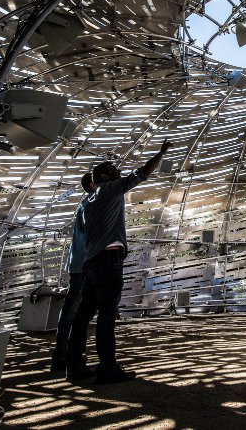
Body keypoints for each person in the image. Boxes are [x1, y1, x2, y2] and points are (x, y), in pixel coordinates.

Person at [66, 140, 171, 384]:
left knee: (83, 316)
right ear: (104, 176)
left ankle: (74, 365)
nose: (119, 172)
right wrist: (161, 152)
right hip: (107, 262)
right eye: (114, 170)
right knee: (106, 314)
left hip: (91, 264)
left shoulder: (88, 203)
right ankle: (107, 367)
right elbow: (142, 173)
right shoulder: (109, 189)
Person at [50, 172, 94, 372]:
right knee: (75, 312)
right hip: (83, 264)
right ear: (94, 184)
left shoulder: (85, 204)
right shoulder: (90, 204)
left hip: (79, 263)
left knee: (75, 311)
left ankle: (67, 354)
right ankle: (65, 355)